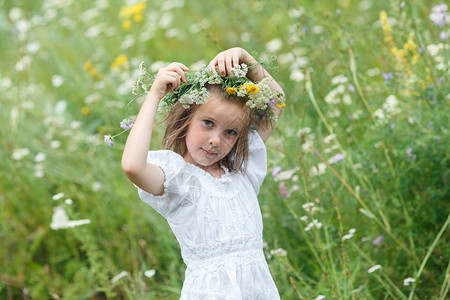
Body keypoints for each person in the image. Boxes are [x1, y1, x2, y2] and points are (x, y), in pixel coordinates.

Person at [121, 47, 285, 299]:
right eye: (208, 123)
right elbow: (133, 166)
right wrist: (154, 95)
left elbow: (277, 102)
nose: (215, 141)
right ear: (186, 119)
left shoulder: (242, 170)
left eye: (230, 132)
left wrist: (244, 57)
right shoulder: (177, 179)